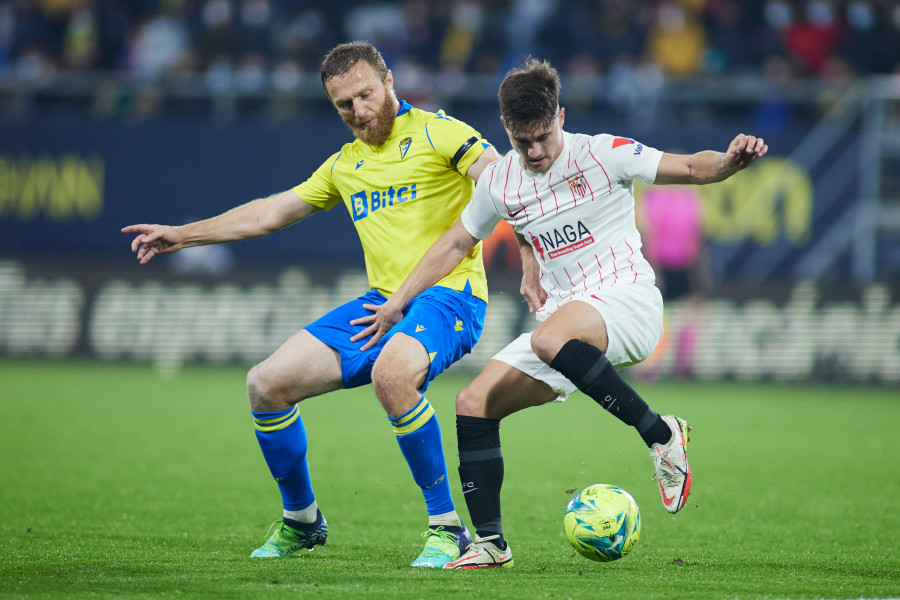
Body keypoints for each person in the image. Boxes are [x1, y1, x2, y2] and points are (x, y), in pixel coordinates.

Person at [353, 58, 767, 568]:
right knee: (472, 402)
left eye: (544, 137)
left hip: (627, 302)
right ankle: (490, 544)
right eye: (523, 140)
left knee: (549, 337)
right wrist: (397, 303)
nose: (535, 151)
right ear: (505, 128)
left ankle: (662, 435)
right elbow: (455, 242)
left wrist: (728, 163)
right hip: (566, 328)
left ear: (561, 117)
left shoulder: (603, 153)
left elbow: (686, 166)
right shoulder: (501, 182)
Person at [121, 41, 515, 568]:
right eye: (344, 105)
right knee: (266, 385)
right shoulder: (344, 165)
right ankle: (303, 521)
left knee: (393, 376)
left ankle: (448, 529)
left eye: (365, 95)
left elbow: (506, 184)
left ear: (389, 82)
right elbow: (268, 214)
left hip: (451, 297)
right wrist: (183, 237)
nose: (358, 111)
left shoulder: (439, 132)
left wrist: (533, 258)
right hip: (382, 304)